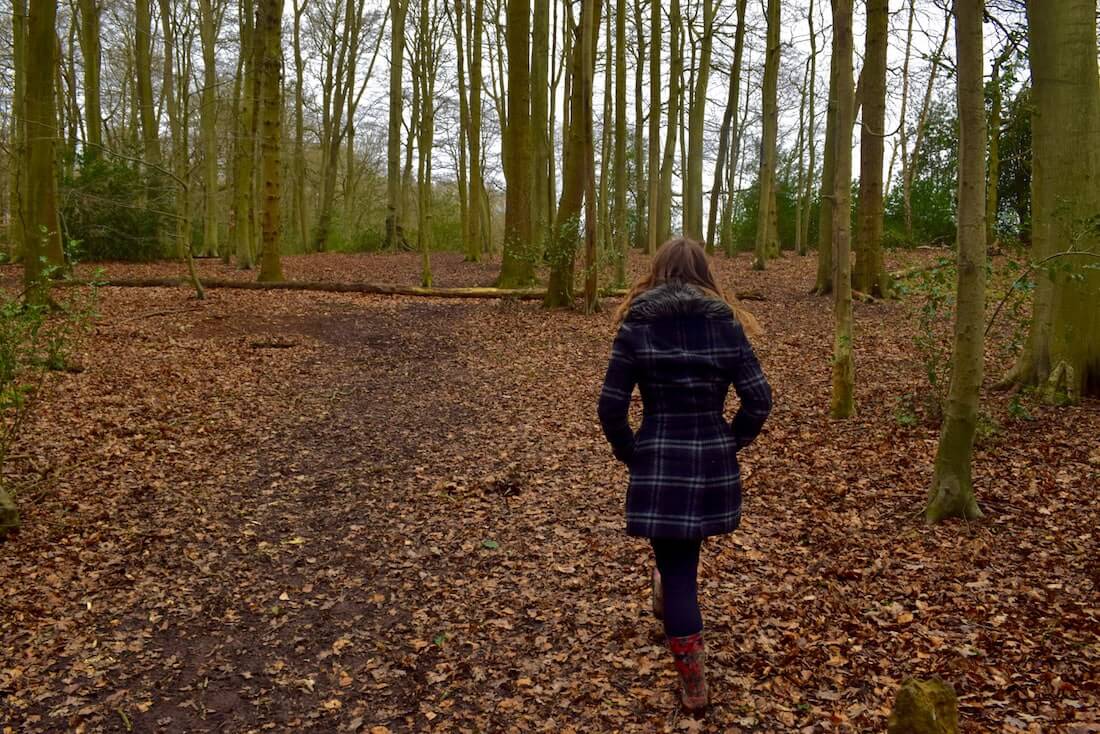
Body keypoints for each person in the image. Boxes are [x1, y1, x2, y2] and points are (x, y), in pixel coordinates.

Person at [597, 237, 773, 714]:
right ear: (704, 273)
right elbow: (759, 400)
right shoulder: (726, 326)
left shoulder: (637, 326)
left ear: (657, 271)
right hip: (708, 461)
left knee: (678, 570)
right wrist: (729, 440)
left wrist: (632, 452)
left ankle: (694, 683)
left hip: (659, 458)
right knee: (680, 563)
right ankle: (686, 657)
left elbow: (611, 407)